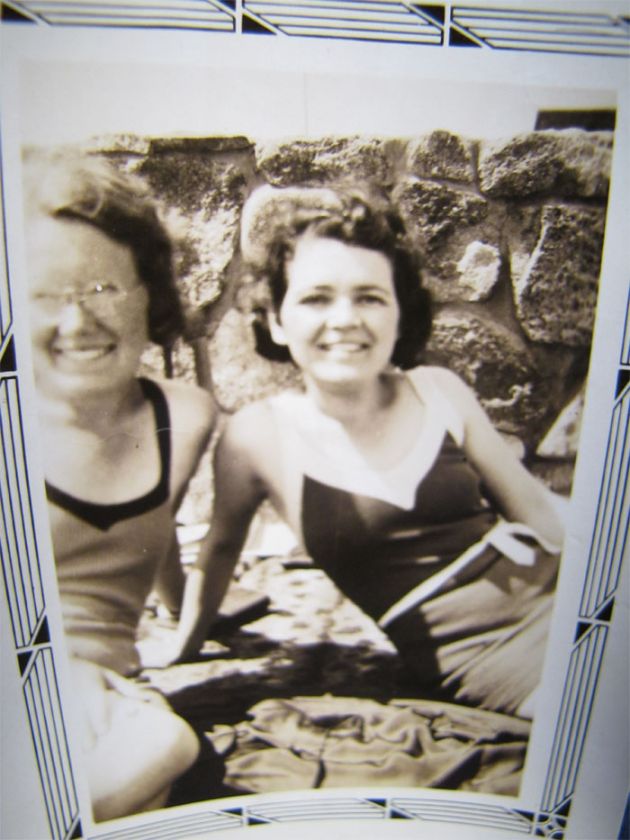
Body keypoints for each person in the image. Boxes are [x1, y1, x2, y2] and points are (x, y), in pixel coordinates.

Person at [165, 185, 564, 718]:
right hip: (487, 656)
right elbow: (219, 550)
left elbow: (537, 512)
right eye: (316, 298)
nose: (346, 318)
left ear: (398, 316)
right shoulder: (257, 436)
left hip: (558, 592)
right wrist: (182, 648)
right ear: (278, 321)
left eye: (370, 297)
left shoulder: (437, 390)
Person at [23, 149, 217, 821]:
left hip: (112, 696)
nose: (76, 322)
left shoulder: (185, 416)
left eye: (103, 288)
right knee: (164, 749)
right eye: (44, 294)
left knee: (157, 762)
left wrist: (188, 620)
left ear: (149, 294)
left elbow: (155, 538)